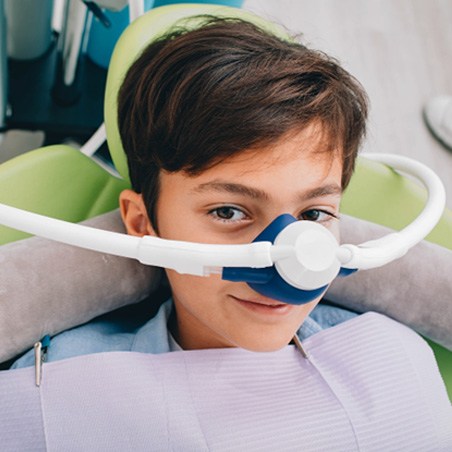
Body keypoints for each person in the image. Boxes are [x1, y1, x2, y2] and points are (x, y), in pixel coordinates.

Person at [10, 15, 452, 446]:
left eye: (314, 215)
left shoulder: (392, 360)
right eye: (228, 211)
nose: (287, 260)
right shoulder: (58, 386)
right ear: (143, 225)